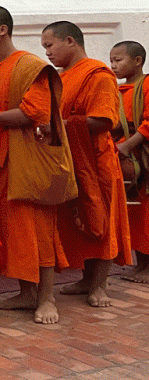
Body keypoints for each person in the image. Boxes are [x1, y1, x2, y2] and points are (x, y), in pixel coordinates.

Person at [0, 6, 65, 324]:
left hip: (29, 158)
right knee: (16, 232)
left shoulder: (29, 66)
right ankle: (26, 293)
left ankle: (47, 297)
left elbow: (32, 114)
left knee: (39, 229)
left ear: (2, 30)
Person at [41, 22, 132, 307]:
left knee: (102, 219)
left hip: (97, 160)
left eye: (50, 45)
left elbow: (105, 120)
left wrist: (58, 125)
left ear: (70, 41)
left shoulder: (98, 73)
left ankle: (100, 286)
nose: (47, 53)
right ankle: (85, 278)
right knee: (79, 220)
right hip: (68, 158)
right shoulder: (60, 77)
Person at [111, 40, 149, 283]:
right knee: (134, 214)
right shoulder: (117, 90)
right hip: (126, 161)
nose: (113, 65)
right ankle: (140, 264)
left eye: (118, 60)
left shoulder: (147, 85)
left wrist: (127, 145)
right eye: (111, 60)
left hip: (142, 155)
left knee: (147, 214)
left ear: (137, 61)